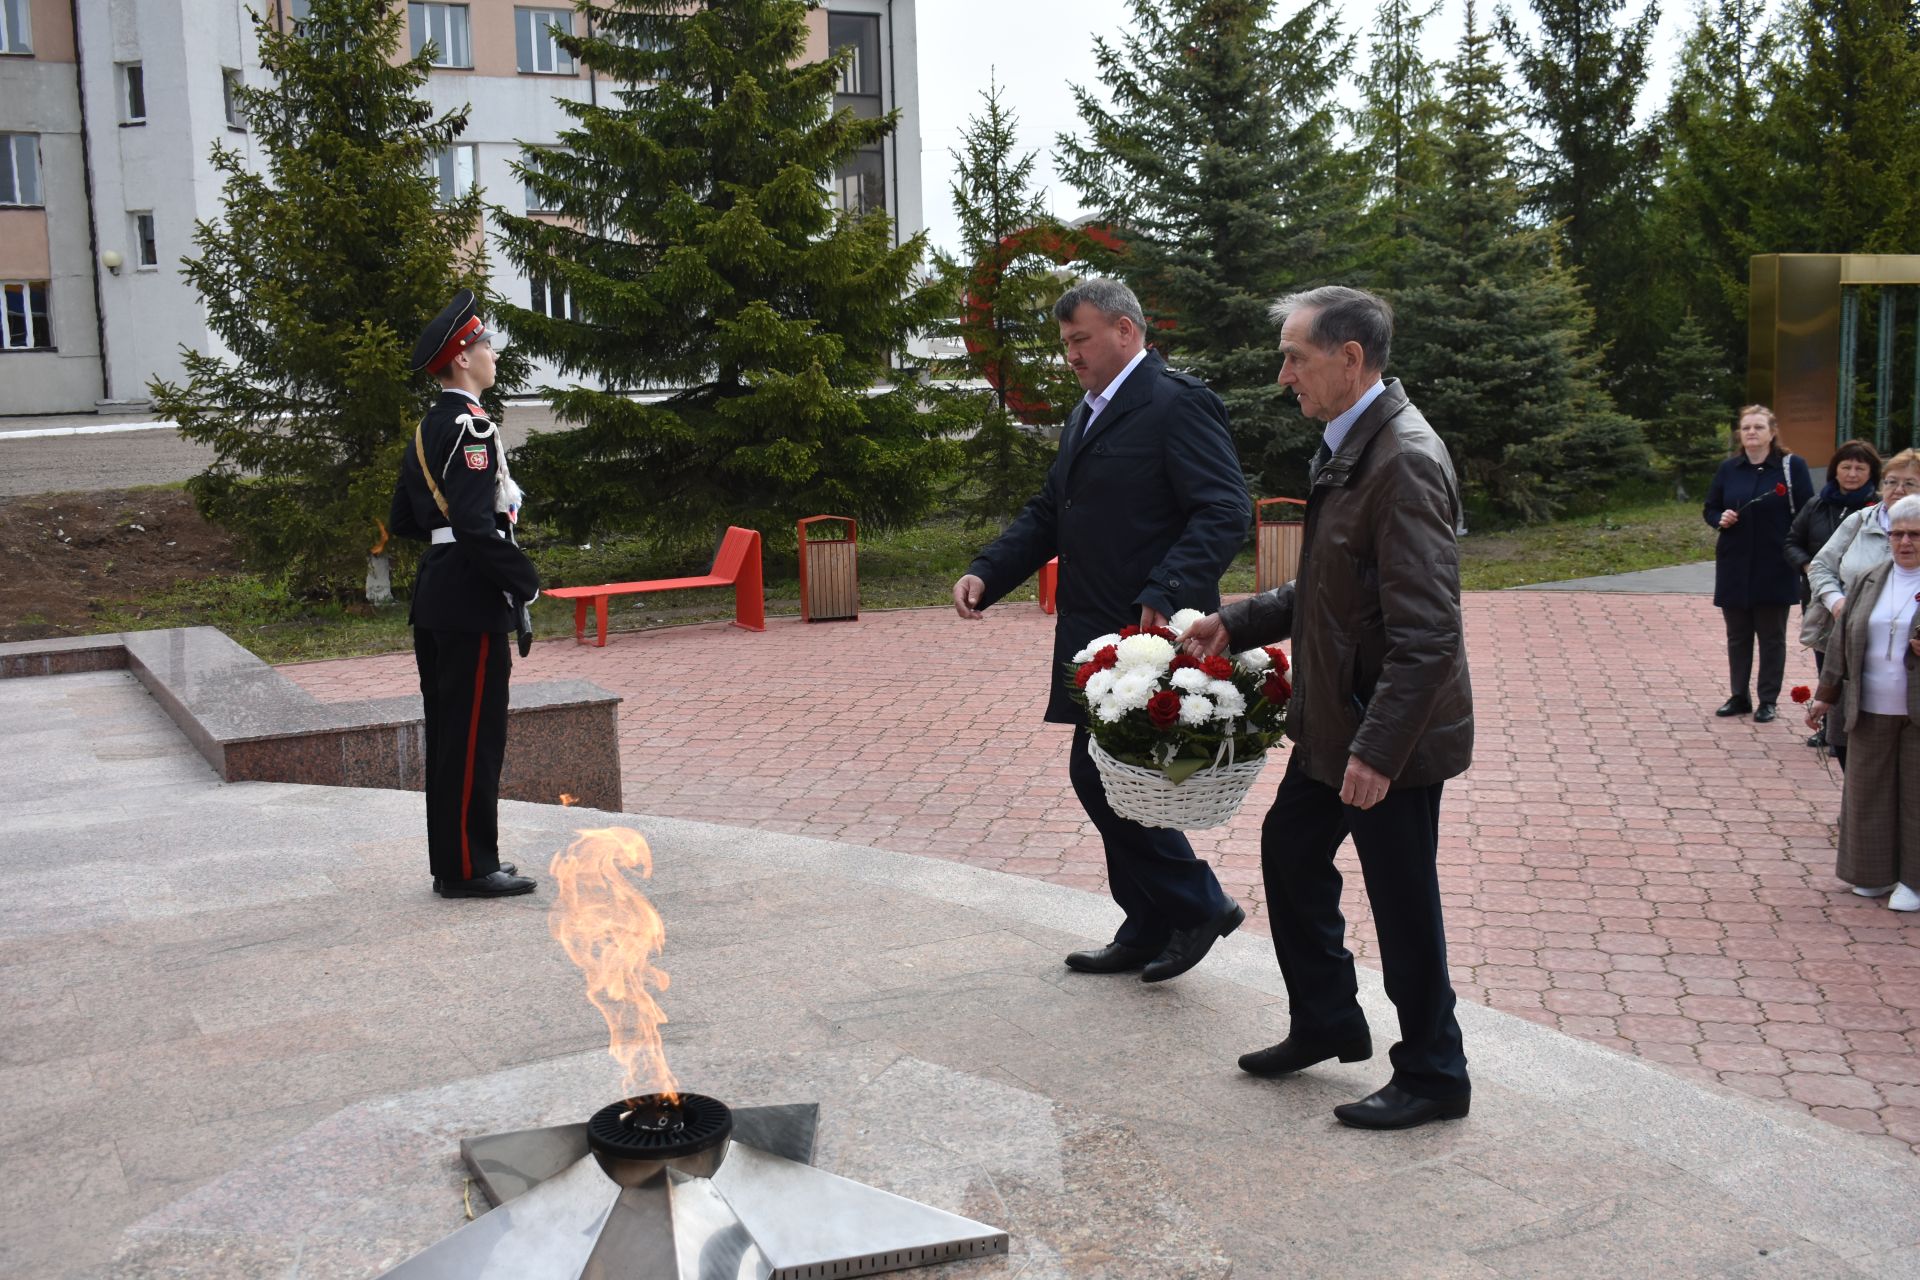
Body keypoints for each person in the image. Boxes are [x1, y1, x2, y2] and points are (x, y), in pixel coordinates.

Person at [1180, 286, 1474, 1131]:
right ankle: (1327, 1018)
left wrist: (1378, 752)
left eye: (1295, 358)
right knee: (1290, 850)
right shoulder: (1352, 445)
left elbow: (1427, 634)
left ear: (1350, 359)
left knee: (1402, 897)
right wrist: (1235, 622)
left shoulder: (1404, 460)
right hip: (1337, 721)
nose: (1283, 376)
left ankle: (1434, 1072)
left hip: (1389, 731)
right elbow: (1333, 587)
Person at [951, 278, 1252, 984]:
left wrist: (1166, 588)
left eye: (1080, 340)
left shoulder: (1177, 405)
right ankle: (1148, 923)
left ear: (1124, 330)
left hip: (1151, 631)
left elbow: (1224, 509)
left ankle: (1196, 903)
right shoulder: (1086, 413)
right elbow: (1049, 511)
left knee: (1106, 774)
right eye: (1066, 345)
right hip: (1096, 634)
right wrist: (988, 573)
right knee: (1116, 777)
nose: (1071, 357)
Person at [390, 289, 541, 899]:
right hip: (471, 598)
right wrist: (522, 577)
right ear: (460, 360)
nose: (492, 352)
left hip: (437, 594)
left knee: (454, 735)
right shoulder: (472, 427)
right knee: (476, 737)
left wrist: (452, 532)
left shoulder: (430, 428)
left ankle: (456, 861)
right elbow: (479, 527)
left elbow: (405, 519)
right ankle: (471, 867)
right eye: (482, 344)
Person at [1803, 493, 1920, 912]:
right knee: (1867, 794)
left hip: (1916, 713)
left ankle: (1913, 881)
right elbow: (1841, 643)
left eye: (1915, 535)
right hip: (1869, 705)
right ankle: (1871, 874)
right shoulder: (1872, 577)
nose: (1905, 542)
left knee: (1915, 798)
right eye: (1897, 534)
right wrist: (1825, 697)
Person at [1805, 450, 1920, 769]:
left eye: (1909, 483)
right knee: (1845, 739)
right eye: (1891, 481)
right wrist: (1837, 602)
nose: (1898, 489)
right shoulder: (1859, 521)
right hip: (1848, 642)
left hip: (1908, 660)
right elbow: (1820, 567)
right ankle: (1855, 810)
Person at [1704, 405, 1815, 723]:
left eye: (1758, 427)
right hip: (1734, 565)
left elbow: (1807, 512)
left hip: (1774, 564)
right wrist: (1719, 518)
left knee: (1771, 636)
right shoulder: (1729, 469)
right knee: (1737, 635)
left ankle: (1768, 700)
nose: (1751, 432)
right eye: (1746, 427)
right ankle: (1739, 695)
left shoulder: (1791, 467)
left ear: (1772, 431)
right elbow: (1710, 507)